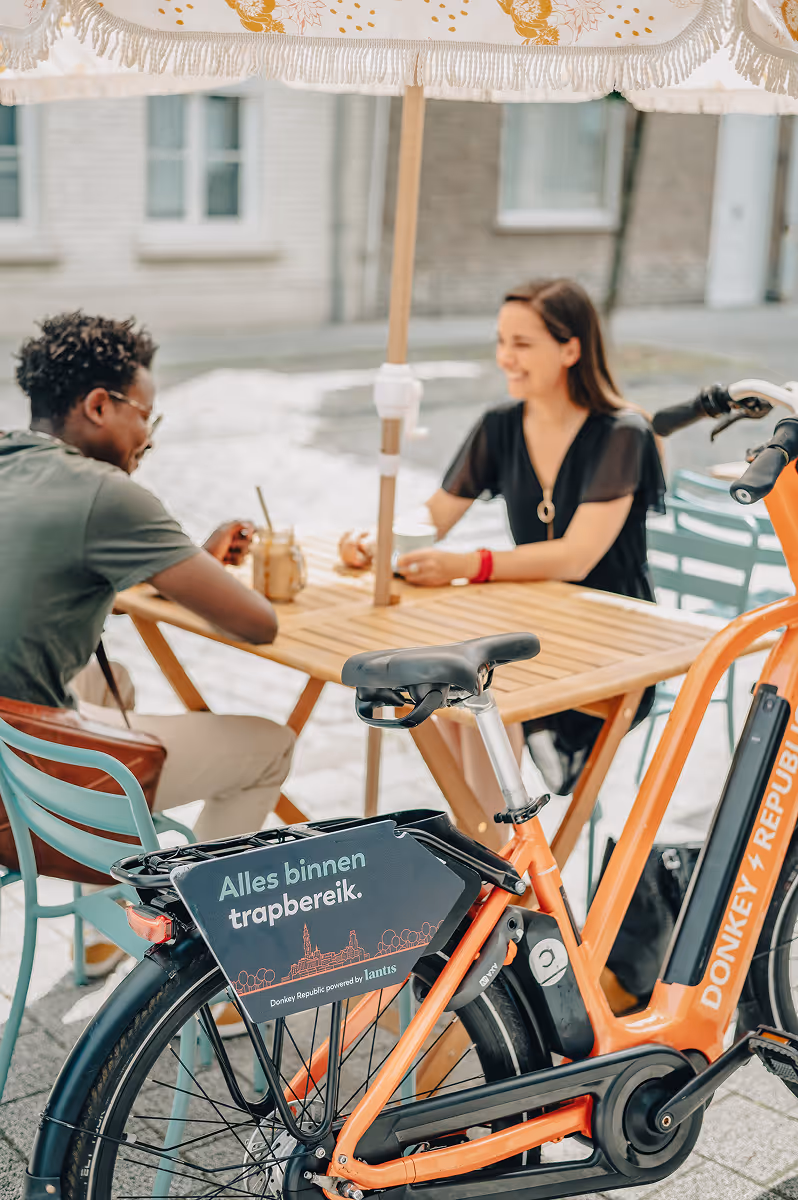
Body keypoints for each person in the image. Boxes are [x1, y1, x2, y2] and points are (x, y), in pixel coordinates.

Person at [0, 313, 295, 1029]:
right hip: (34, 794)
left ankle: (102, 940)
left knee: (115, 684)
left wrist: (179, 557)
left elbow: (53, 574)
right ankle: (213, 969)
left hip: (5, 767)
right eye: (145, 416)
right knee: (268, 747)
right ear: (99, 405)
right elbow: (259, 621)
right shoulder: (107, 495)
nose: (148, 437)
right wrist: (196, 567)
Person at [341, 277, 665, 805]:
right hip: (535, 622)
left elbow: (577, 556)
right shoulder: (500, 425)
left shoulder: (623, 433)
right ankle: (494, 849)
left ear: (570, 349)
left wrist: (470, 563)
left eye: (521, 344)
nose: (505, 358)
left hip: (614, 638)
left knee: (468, 695)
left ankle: (495, 854)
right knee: (450, 693)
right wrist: (378, 539)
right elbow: (437, 513)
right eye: (500, 342)